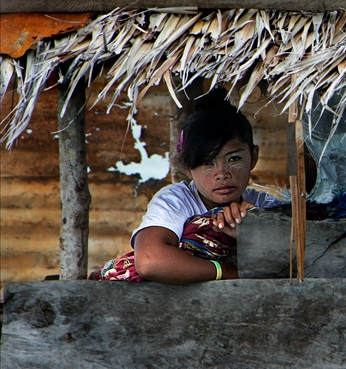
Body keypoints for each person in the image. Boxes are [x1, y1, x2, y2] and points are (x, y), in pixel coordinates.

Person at [100, 88, 278, 284]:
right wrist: (228, 272)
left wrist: (256, 230)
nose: (222, 173)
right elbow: (149, 261)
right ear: (186, 168)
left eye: (234, 158)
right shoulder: (176, 201)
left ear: (253, 157)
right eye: (207, 163)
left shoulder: (265, 206)